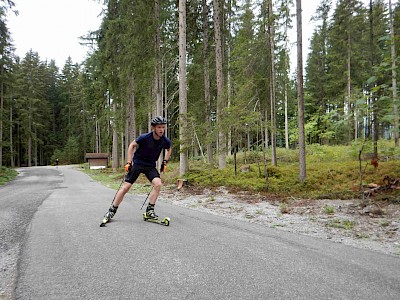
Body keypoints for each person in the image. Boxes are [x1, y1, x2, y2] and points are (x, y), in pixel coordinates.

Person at [103, 116, 172, 221]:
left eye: (163, 127)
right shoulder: (145, 137)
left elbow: (169, 149)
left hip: (150, 166)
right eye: (159, 127)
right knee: (125, 187)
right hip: (138, 164)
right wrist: (129, 162)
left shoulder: (165, 140)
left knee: (158, 184)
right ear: (154, 128)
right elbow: (132, 145)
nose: (161, 129)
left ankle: (150, 211)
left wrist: (165, 162)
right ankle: (112, 210)